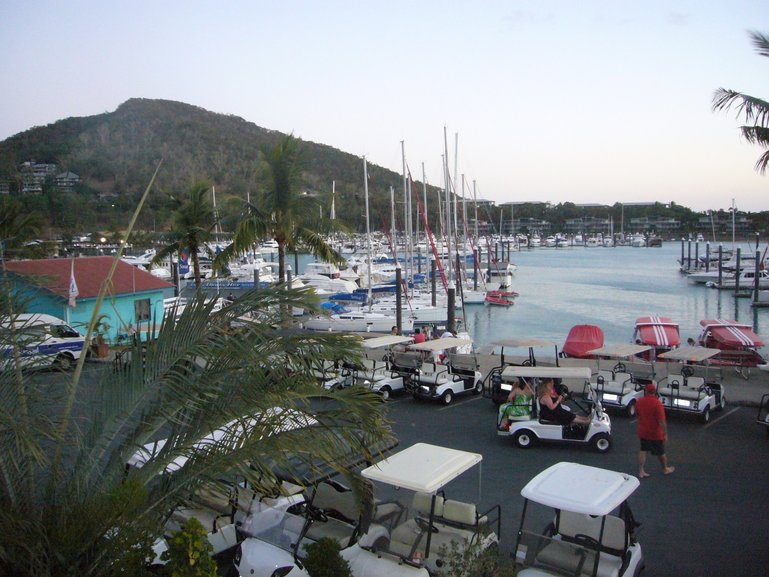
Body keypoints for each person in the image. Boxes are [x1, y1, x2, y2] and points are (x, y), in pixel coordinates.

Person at [636, 383, 675, 478]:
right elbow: (661, 421)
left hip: (643, 431)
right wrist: (665, 433)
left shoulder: (639, 401)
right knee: (661, 452)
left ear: (646, 391)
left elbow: (638, 413)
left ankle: (641, 471)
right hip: (655, 433)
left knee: (643, 450)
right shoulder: (657, 404)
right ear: (654, 392)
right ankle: (665, 468)